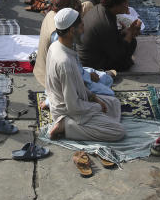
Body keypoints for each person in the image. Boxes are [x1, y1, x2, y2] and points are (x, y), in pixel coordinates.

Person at [44, 8, 125, 142]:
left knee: (114, 104)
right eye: (81, 27)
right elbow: (73, 107)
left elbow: (77, 84)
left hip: (74, 101)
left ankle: (91, 122)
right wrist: (96, 106)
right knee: (118, 132)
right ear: (71, 31)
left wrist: (93, 97)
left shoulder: (58, 46)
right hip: (67, 111)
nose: (83, 30)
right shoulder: (64, 62)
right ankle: (66, 126)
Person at [78, 0, 139, 72]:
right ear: (116, 4)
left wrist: (125, 32)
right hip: (91, 64)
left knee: (129, 40)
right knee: (129, 49)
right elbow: (118, 54)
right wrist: (129, 34)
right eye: (125, 3)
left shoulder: (101, 8)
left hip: (91, 52)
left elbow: (111, 36)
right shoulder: (105, 22)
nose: (127, 6)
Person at [33, 0, 82, 86]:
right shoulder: (59, 33)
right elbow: (64, 66)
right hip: (50, 80)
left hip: (42, 71)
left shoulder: (52, 13)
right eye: (76, 0)